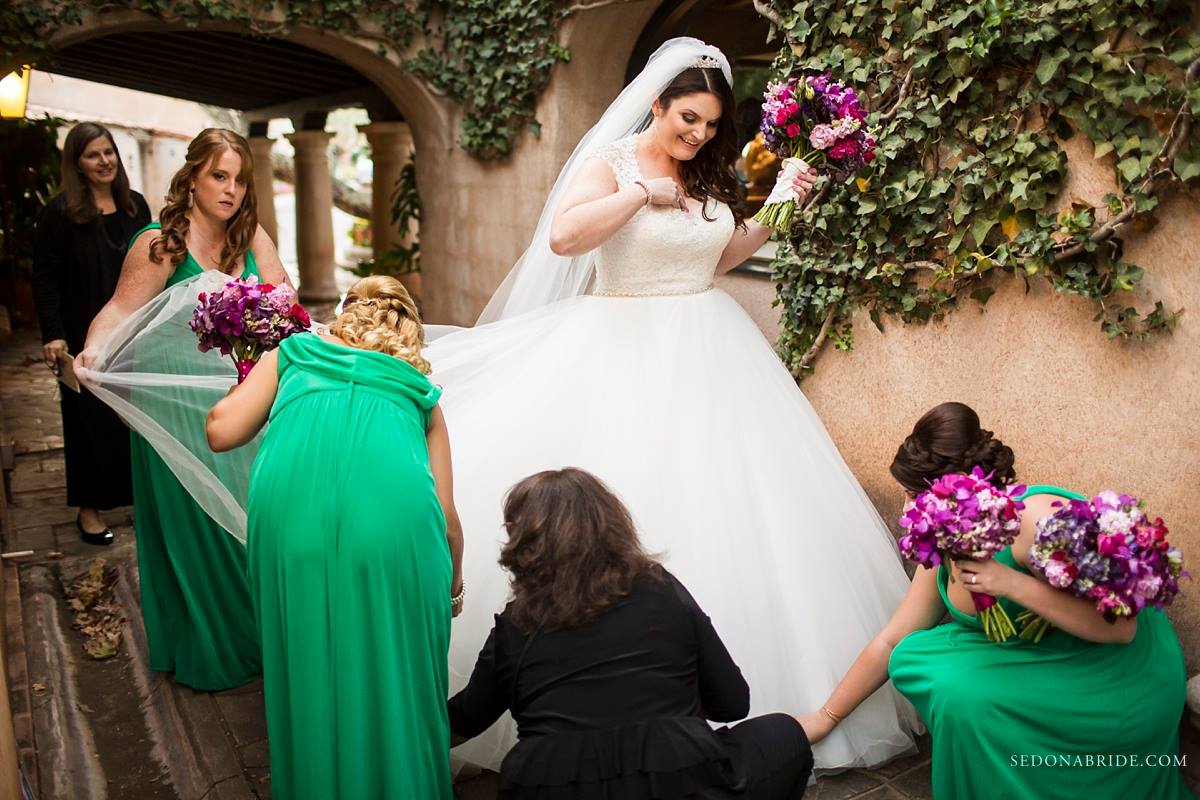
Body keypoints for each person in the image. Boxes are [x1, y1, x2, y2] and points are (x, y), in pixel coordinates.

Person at [424, 37, 922, 770]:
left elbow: (717, 256)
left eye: (711, 125)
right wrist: (638, 195)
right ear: (656, 103)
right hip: (621, 342)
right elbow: (564, 238)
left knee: (737, 503)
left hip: (714, 342)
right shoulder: (611, 164)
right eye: (687, 118)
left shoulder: (709, 172)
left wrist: (782, 205)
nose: (697, 134)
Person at [796, 402, 1192, 799]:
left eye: (912, 495)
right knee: (916, 656)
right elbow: (893, 639)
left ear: (955, 491)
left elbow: (1122, 629)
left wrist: (1010, 584)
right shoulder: (947, 535)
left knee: (961, 692)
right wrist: (826, 717)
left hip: (1113, 672)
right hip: (1041, 653)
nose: (904, 511)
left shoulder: (1034, 520)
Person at [206, 275, 465, 800]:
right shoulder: (420, 394)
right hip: (394, 524)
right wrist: (454, 587)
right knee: (395, 669)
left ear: (344, 316)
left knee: (306, 659)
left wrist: (256, 371)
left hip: (289, 513)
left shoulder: (293, 353)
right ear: (408, 331)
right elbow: (446, 517)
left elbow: (220, 430)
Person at [449, 468, 812, 799]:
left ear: (521, 542)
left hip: (550, 787)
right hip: (678, 780)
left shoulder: (516, 622)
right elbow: (733, 703)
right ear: (609, 525)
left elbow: (468, 717)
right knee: (785, 735)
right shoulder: (659, 586)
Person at [77, 128, 290, 691]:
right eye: (219, 176)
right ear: (192, 176)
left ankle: (264, 641)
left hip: (244, 412)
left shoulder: (252, 236)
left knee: (252, 528)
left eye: (240, 180)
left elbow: (287, 308)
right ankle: (213, 653)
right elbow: (118, 311)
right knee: (202, 539)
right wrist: (93, 349)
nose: (231, 190)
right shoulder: (160, 244)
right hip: (177, 417)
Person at [32, 122, 150, 545]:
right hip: (82, 333)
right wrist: (54, 334)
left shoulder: (135, 207)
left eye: (109, 153)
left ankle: (140, 502)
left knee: (132, 419)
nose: (104, 162)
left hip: (132, 332)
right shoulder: (60, 213)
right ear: (77, 164)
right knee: (86, 423)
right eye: (93, 155)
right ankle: (90, 509)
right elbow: (43, 278)